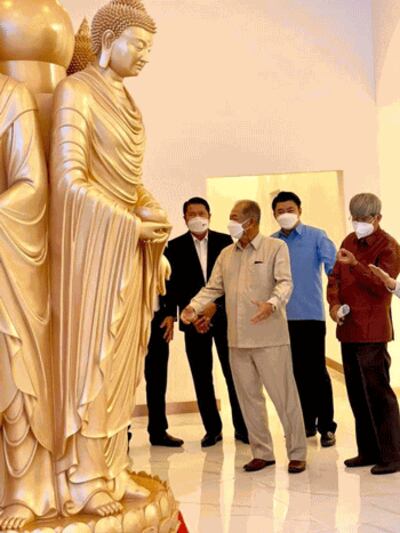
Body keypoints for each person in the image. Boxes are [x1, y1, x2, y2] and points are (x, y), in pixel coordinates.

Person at [50, 0, 171, 517]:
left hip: (128, 250)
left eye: (149, 48)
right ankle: (82, 477)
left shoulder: (128, 103)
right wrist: (129, 224)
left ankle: (113, 468)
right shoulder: (75, 93)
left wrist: (152, 210)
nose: (144, 57)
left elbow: (130, 182)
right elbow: (69, 181)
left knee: (123, 367)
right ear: (107, 40)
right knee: (92, 364)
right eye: (137, 45)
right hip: (90, 253)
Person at [181, 200, 307, 473]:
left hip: (269, 338)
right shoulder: (227, 254)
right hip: (237, 340)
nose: (231, 223)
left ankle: (297, 452)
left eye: (235, 217)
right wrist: (193, 306)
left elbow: (285, 282)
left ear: (251, 222)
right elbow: (213, 287)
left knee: (284, 398)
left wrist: (272, 303)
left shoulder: (276, 248)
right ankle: (262, 451)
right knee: (249, 399)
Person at [0, 74, 57, 530]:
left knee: (12, 380)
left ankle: (23, 488)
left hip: (6, 248)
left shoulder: (10, 96)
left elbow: (31, 183)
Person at [164, 197, 248, 447]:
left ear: (209, 215)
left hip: (223, 317)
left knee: (234, 374)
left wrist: (214, 308)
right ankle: (212, 429)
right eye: (191, 214)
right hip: (192, 321)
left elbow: (235, 282)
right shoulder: (174, 247)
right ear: (184, 218)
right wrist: (182, 313)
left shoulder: (226, 243)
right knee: (201, 376)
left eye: (201, 212)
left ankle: (243, 428)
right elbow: (171, 286)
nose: (197, 217)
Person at [327, 193, 400, 475]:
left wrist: (356, 265)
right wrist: (334, 306)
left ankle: (393, 454)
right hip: (348, 327)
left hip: (373, 330)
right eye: (354, 218)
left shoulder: (389, 246)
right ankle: (368, 450)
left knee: (379, 394)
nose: (358, 224)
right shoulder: (348, 240)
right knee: (357, 394)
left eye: (364, 219)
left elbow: (383, 288)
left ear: (377, 218)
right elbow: (334, 277)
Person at [271, 191, 337, 447]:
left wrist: (338, 302)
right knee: (294, 373)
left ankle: (327, 426)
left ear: (299, 210)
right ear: (274, 215)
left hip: (311, 315)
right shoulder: (272, 242)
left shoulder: (317, 236)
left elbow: (334, 270)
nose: (285, 214)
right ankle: (305, 423)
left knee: (317, 372)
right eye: (280, 211)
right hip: (282, 318)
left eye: (290, 209)